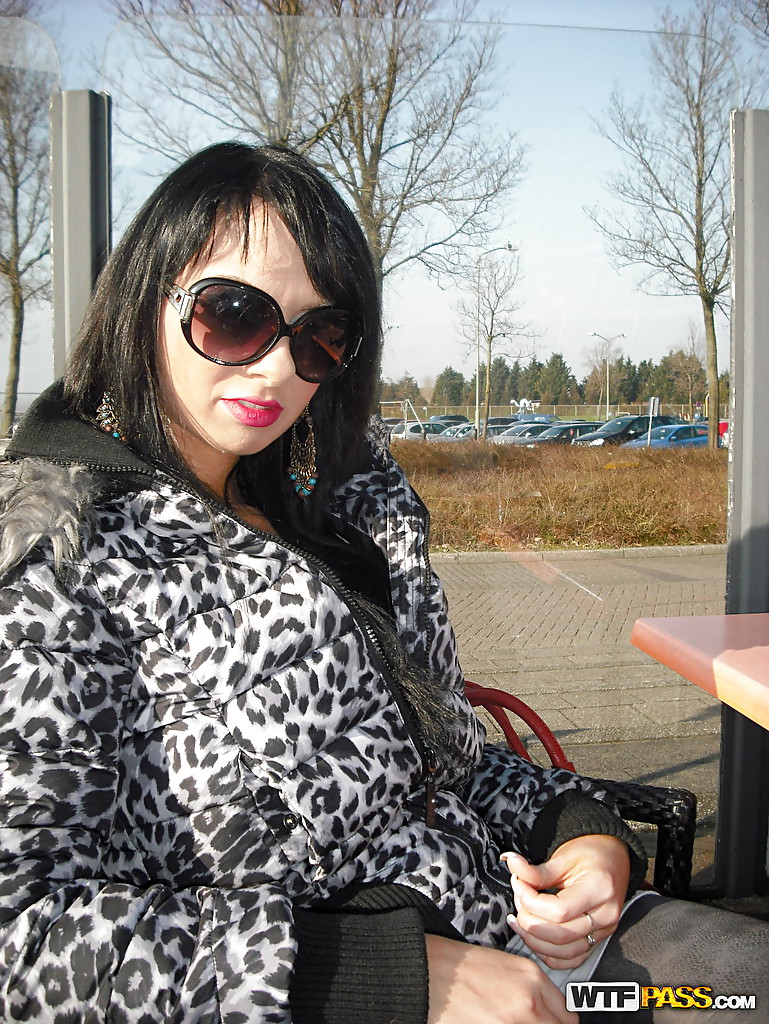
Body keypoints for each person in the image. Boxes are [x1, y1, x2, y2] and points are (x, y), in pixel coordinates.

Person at [0, 142, 765, 1024]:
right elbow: (23, 940)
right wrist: (400, 980)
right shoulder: (58, 566)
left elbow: (443, 766)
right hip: (330, 999)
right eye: (234, 315)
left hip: (547, 951)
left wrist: (582, 837)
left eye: (318, 336)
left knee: (744, 992)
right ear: (145, 299)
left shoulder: (338, 517)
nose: (278, 368)